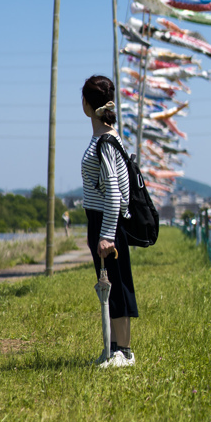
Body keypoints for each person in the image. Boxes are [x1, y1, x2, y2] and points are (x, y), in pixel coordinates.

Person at [80, 74, 137, 369]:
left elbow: (115, 191)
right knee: (110, 285)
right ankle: (112, 348)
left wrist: (106, 235)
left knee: (116, 286)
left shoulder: (105, 141)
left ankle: (124, 352)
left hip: (107, 222)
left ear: (87, 104)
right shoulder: (108, 138)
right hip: (104, 221)